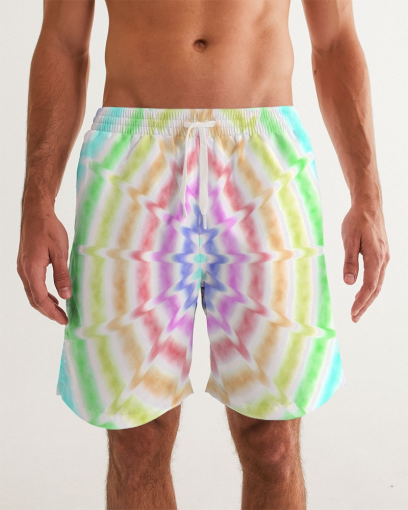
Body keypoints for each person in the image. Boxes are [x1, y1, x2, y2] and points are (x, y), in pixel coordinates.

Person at [17, 0, 390, 508]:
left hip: (264, 160)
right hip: (131, 158)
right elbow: (63, 42)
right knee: (134, 439)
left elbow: (335, 39)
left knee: (274, 441)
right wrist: (37, 201)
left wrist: (367, 195)